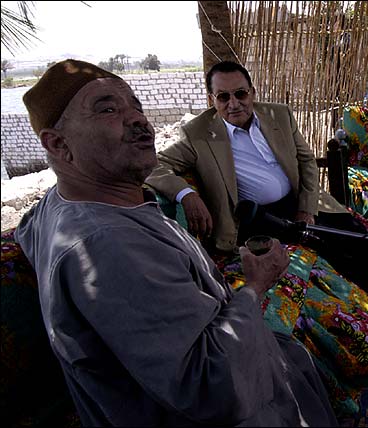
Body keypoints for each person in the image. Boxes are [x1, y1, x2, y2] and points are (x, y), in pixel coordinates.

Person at [15, 59, 338, 427]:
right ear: (58, 144)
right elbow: (210, 387)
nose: (137, 119)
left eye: (136, 106)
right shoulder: (108, 248)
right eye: (107, 109)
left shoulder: (62, 206)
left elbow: (26, 227)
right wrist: (255, 286)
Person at [145, 60, 368, 296]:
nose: (233, 104)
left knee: (355, 235)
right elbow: (154, 165)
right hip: (259, 218)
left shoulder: (278, 115)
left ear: (252, 92)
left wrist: (306, 208)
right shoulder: (197, 133)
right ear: (212, 100)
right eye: (223, 97)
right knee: (324, 249)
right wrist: (187, 194)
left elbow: (306, 161)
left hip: (299, 200)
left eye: (240, 94)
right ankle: (355, 319)